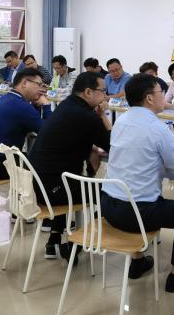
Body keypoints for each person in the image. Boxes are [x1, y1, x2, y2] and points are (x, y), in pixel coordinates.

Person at [102, 74, 174, 292]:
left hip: (108, 206)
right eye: (161, 92)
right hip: (138, 213)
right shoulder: (157, 128)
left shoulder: (121, 120)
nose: (165, 97)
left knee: (136, 190)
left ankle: (138, 261)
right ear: (150, 98)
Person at [29, 71, 112, 259]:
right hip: (53, 190)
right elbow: (112, 145)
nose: (105, 96)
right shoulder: (87, 116)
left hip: (37, 184)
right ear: (88, 92)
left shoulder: (66, 105)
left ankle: (55, 238)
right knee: (110, 192)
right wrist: (103, 116)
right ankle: (77, 242)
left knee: (70, 177)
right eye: (102, 91)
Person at [0, 68, 52, 180]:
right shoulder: (21, 105)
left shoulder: (9, 98)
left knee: (36, 159)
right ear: (25, 83)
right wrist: (46, 106)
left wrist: (36, 105)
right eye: (39, 85)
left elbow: (31, 123)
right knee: (48, 165)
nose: (42, 89)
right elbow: (49, 132)